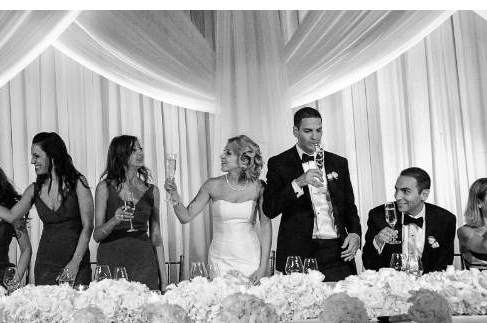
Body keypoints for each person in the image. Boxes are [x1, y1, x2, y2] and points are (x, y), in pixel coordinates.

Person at [0, 132, 93, 286]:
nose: (32, 161)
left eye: (36, 156)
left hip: (77, 262)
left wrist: (75, 262)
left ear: (52, 156)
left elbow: (88, 226)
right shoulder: (34, 189)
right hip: (46, 265)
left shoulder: (78, 182)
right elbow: (11, 216)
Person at [263, 108, 362, 281]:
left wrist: (354, 233)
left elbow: (349, 207)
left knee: (343, 304)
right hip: (299, 252)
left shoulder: (339, 163)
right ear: (295, 131)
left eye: (319, 130)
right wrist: (298, 182)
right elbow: (270, 209)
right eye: (308, 131)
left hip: (337, 251)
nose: (315, 136)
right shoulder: (279, 163)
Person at [164, 135, 272, 282]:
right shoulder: (212, 185)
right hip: (219, 260)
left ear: (243, 160)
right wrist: (174, 195)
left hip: (250, 259)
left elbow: (266, 227)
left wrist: (263, 266)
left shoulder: (258, 187)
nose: (222, 156)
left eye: (228, 153)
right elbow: (185, 217)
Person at [93, 136, 166, 289]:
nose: (140, 153)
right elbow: (97, 235)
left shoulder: (152, 190)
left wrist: (164, 281)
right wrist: (114, 220)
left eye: (140, 149)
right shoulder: (104, 188)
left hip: (143, 261)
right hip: (111, 258)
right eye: (134, 150)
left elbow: (156, 236)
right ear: (120, 154)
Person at [361, 167, 456, 273]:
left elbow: (443, 266)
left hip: (427, 286)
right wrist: (378, 242)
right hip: (390, 285)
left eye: (405, 191)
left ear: (424, 195)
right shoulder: (379, 215)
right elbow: (369, 265)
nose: (397, 197)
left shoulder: (445, 219)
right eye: (396, 190)